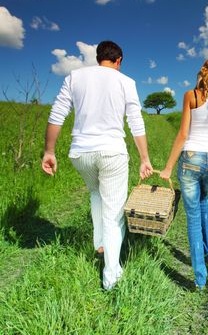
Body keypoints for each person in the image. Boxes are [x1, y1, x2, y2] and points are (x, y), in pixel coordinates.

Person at [41, 40, 153, 291]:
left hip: (81, 153)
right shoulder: (126, 82)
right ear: (119, 60)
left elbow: (57, 114)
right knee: (115, 213)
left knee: (95, 193)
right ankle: (111, 277)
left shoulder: (75, 76)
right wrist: (145, 159)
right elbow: (136, 123)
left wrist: (49, 151)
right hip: (112, 153)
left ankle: (100, 244)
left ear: (98, 58)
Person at [160, 59, 208, 290]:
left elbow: (183, 134)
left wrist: (168, 167)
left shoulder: (192, 95)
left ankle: (200, 278)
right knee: (204, 199)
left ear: (203, 73)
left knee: (192, 217)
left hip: (192, 159)